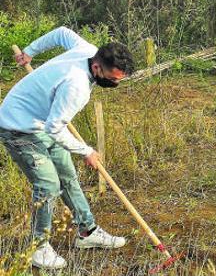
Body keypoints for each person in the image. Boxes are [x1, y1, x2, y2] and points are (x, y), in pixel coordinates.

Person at [0, 27, 136, 269]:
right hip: (17, 126)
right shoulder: (77, 87)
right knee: (48, 185)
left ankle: (87, 231)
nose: (116, 83)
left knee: (67, 176)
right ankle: (39, 248)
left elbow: (61, 33)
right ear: (97, 67)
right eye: (113, 78)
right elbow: (55, 128)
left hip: (40, 120)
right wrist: (86, 151)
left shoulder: (88, 50)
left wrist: (30, 51)